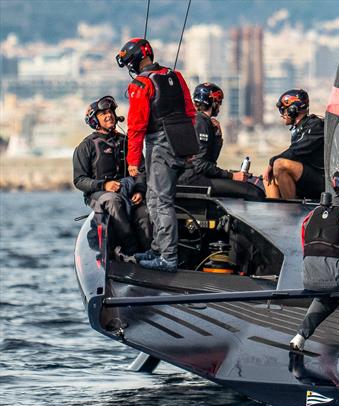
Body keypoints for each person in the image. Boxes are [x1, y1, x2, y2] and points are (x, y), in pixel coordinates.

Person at [116, 38, 198, 272]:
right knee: (154, 198)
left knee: (161, 202)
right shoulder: (176, 76)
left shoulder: (140, 85)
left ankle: (168, 258)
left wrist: (132, 161)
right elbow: (189, 113)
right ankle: (156, 249)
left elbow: (136, 126)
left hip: (160, 144)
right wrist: (189, 147)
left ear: (134, 61)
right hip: (180, 141)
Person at [289, 168, 339, 351]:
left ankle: (300, 335)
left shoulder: (313, 213)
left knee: (327, 297)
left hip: (308, 275)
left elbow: (305, 245)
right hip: (336, 274)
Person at [73, 95, 151, 257]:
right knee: (113, 201)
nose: (108, 115)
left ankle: (148, 254)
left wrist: (139, 190)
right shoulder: (86, 146)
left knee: (144, 211)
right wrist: (104, 186)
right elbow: (79, 180)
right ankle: (130, 250)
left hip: (129, 192)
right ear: (94, 120)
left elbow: (141, 170)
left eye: (110, 112)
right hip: (98, 194)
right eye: (102, 114)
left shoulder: (127, 142)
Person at [178, 82, 264, 201]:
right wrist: (231, 176)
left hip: (193, 177)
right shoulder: (201, 122)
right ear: (213, 103)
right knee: (254, 192)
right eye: (219, 103)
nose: (219, 107)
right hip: (192, 179)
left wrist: (217, 137)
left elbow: (210, 160)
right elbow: (200, 164)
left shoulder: (199, 120)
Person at [264, 89, 325, 200]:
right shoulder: (300, 128)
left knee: (279, 164)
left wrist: (272, 162)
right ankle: (276, 214)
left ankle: (291, 211)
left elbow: (296, 151)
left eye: (283, 110)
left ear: (292, 110)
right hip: (306, 177)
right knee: (268, 177)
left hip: (321, 181)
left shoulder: (315, 125)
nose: (282, 114)